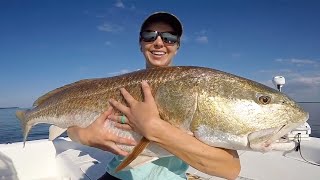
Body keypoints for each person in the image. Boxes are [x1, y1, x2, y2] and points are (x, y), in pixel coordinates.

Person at [67, 12, 240, 180]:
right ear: (140, 43)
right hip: (117, 174)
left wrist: (153, 128)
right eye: (150, 35)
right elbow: (71, 124)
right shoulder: (120, 88)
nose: (159, 42)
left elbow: (230, 170)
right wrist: (85, 137)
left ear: (177, 46)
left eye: (169, 37)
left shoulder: (194, 89)